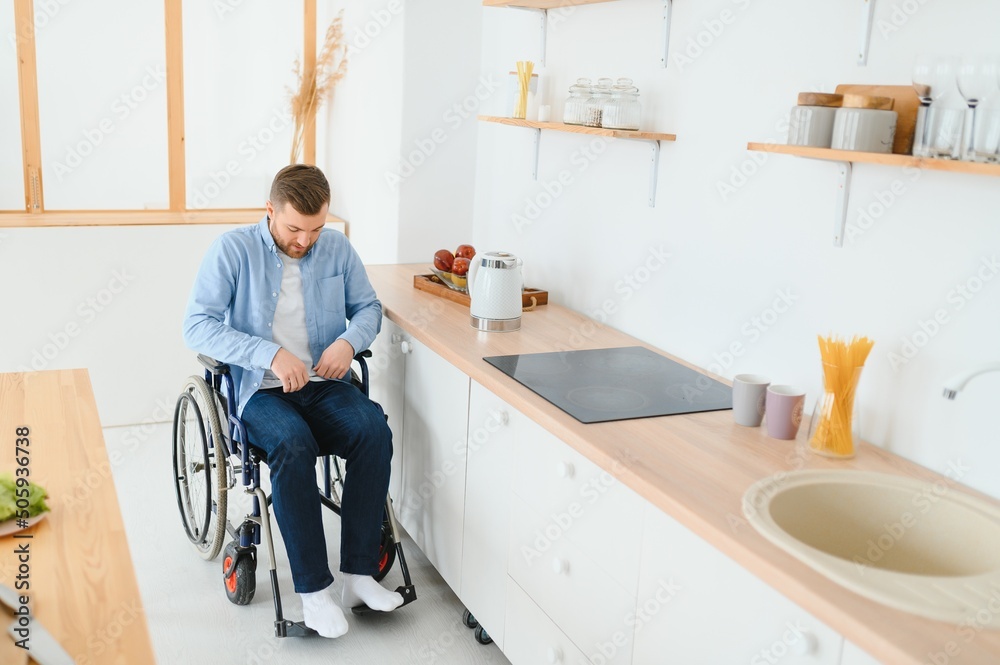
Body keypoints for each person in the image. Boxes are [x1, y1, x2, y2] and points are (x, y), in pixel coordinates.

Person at [183, 164, 401, 638]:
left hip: (323, 384)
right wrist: (270, 354)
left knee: (372, 430)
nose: (306, 240)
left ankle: (358, 576)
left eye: (317, 228)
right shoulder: (233, 250)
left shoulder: (337, 248)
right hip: (260, 391)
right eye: (294, 228)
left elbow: (368, 308)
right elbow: (196, 325)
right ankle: (314, 593)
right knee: (293, 443)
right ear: (269, 211)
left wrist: (348, 342)